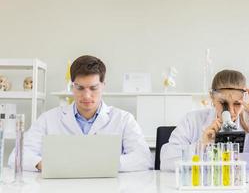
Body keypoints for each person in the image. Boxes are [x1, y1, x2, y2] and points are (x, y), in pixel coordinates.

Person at [8, 55, 153, 172]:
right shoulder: (48, 119)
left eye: (93, 88)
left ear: (103, 86)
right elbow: (16, 156)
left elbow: (143, 158)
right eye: (80, 88)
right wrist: (44, 164)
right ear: (72, 86)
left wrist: (104, 164)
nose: (87, 95)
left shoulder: (123, 119)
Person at [160, 69, 249, 173]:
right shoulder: (192, 120)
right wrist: (201, 145)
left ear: (244, 99)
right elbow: (165, 161)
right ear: (212, 98)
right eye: (223, 103)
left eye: (237, 103)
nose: (230, 111)